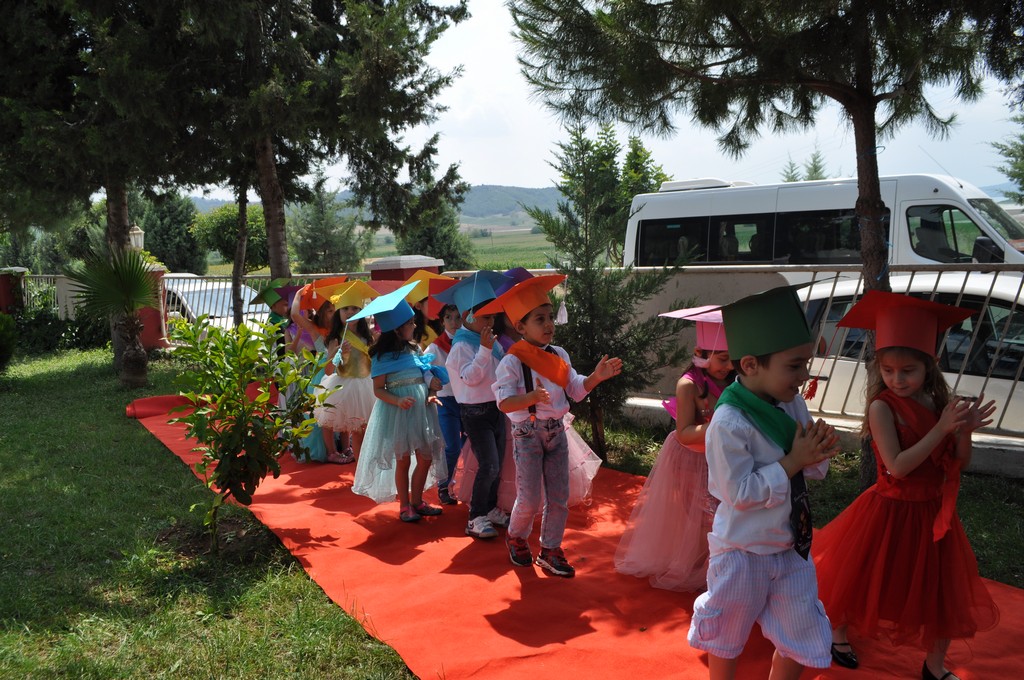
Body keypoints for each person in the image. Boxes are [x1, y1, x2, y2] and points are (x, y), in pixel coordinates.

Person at [811, 291, 999, 680]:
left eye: (908, 370)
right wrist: (942, 429)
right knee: (863, 578)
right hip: (890, 510)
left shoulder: (938, 403)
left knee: (940, 592)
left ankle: (934, 667)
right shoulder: (882, 408)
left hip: (932, 513)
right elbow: (897, 467)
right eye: (888, 370)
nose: (897, 379)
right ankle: (838, 633)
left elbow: (958, 462)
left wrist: (964, 432)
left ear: (929, 367)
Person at [686, 284, 840, 680]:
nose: (804, 376)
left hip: (790, 546)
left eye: (806, 363)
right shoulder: (729, 422)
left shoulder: (791, 402)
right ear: (752, 365)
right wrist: (793, 461)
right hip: (743, 550)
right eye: (795, 365)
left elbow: (808, 465)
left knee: (801, 633)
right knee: (726, 633)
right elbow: (737, 493)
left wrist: (818, 450)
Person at [481, 274, 623, 578]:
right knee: (530, 497)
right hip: (527, 435)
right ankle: (516, 536)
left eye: (549, 317)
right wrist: (530, 398)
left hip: (557, 432)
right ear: (520, 327)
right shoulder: (512, 361)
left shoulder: (559, 355)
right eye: (539, 319)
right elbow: (504, 403)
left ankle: (550, 549)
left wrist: (596, 377)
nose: (548, 324)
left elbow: (575, 389)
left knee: (559, 497)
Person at [615, 306, 734, 591]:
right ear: (701, 353)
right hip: (691, 458)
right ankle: (704, 568)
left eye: (734, 359)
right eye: (723, 359)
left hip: (719, 457)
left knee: (720, 514)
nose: (729, 366)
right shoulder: (688, 385)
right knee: (702, 517)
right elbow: (684, 433)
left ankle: (713, 565)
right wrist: (721, 426)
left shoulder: (734, 382)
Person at [349, 282, 448, 522]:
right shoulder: (382, 357)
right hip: (398, 413)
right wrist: (398, 399)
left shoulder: (414, 349)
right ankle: (405, 505)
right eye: (410, 323)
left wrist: (430, 392)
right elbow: (378, 390)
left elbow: (423, 376)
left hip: (421, 409)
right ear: (396, 329)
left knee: (425, 457)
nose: (415, 326)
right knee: (403, 461)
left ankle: (417, 501)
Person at [438, 270, 513, 539]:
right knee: (489, 465)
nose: (491, 322)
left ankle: (490, 508)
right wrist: (484, 350)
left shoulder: (490, 342)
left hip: (496, 409)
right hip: (475, 413)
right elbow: (469, 378)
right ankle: (475, 516)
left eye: (493, 317)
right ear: (468, 316)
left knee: (497, 465)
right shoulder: (462, 346)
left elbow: (500, 371)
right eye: (485, 317)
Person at [314, 280, 379, 465]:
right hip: (346, 386)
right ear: (338, 312)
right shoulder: (335, 339)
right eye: (346, 308)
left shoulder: (368, 337)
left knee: (368, 429)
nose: (351, 312)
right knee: (357, 430)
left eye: (355, 308)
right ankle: (360, 466)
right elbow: (328, 370)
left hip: (367, 385)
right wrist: (337, 353)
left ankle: (367, 463)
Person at [424, 301, 464, 505]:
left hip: (468, 401)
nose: (454, 322)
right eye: (448, 317)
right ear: (442, 321)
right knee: (452, 446)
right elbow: (423, 368)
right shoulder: (435, 346)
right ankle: (444, 485)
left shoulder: (469, 343)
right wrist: (430, 380)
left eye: (458, 317)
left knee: (469, 447)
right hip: (446, 401)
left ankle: (465, 485)